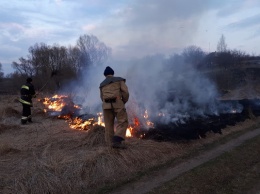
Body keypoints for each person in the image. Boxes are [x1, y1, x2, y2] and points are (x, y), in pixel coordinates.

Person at [99, 66, 129, 149]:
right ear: (113, 73)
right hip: (118, 104)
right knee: (123, 121)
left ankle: (109, 144)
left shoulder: (102, 84)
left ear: (105, 75)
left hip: (106, 106)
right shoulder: (119, 80)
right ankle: (117, 140)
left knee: (108, 125)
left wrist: (106, 103)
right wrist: (123, 101)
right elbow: (125, 92)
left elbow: (102, 97)